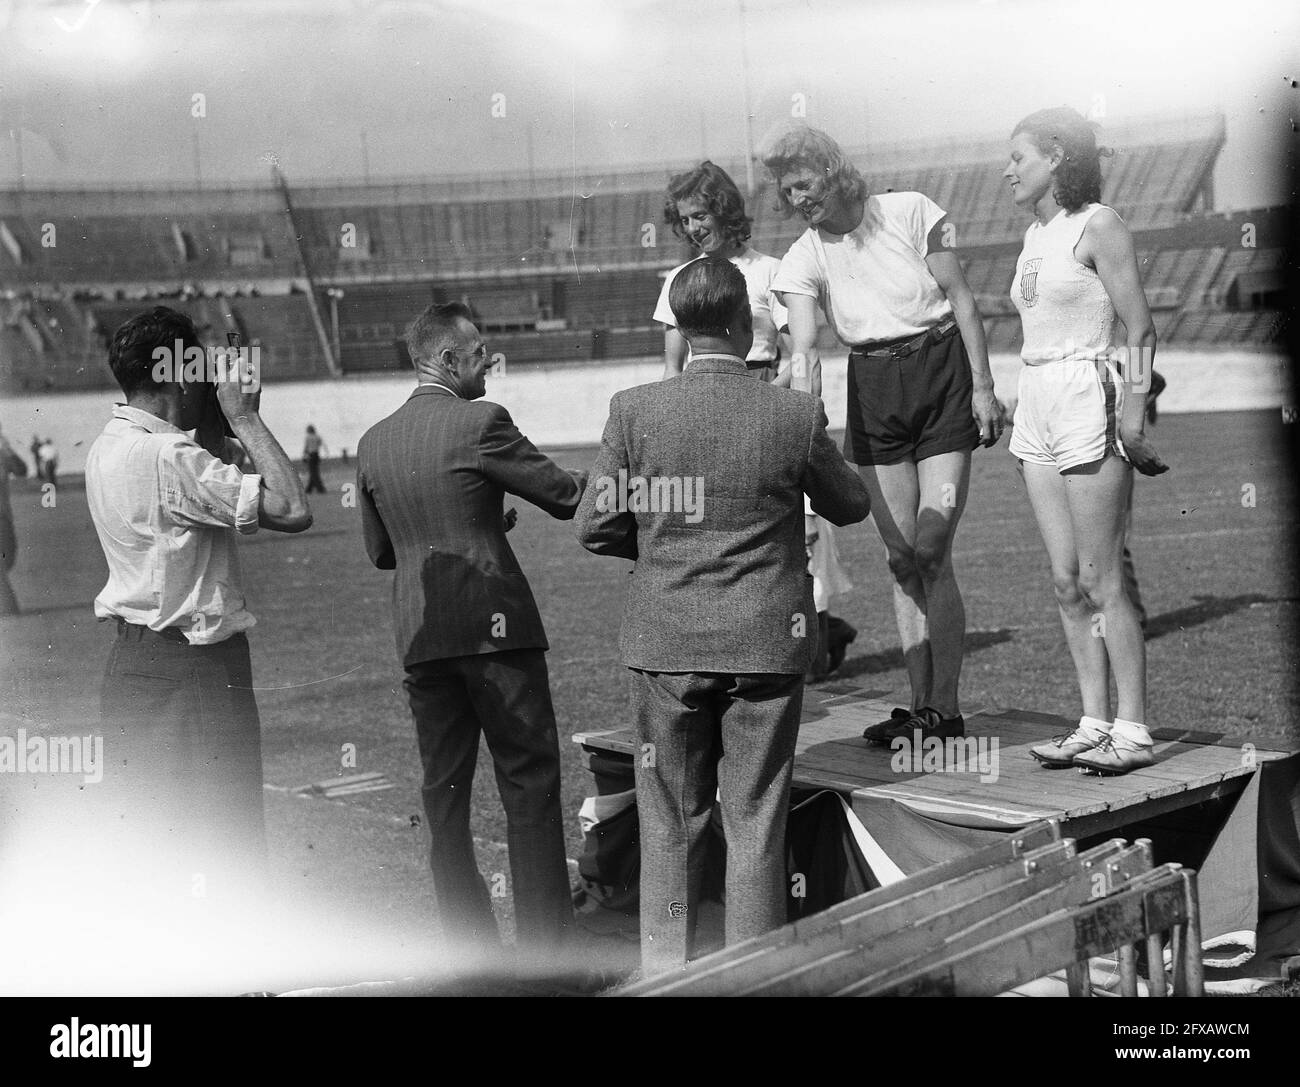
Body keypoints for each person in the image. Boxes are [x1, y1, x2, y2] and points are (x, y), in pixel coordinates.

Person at [576, 258, 871, 976]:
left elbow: (593, 525)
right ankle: (753, 983)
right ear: (746, 324)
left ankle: (666, 977)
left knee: (671, 825)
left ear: (679, 329)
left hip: (666, 641)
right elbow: (853, 503)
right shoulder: (792, 413)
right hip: (765, 644)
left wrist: (655, 547)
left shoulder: (635, 408)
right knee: (756, 825)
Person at [762, 126, 1004, 745]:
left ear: (834, 170)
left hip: (942, 374)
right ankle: (920, 705)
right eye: (788, 190)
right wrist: (803, 429)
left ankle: (945, 708)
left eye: (805, 182)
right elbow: (807, 352)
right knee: (900, 558)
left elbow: (963, 300)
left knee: (931, 546)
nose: (798, 197)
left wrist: (983, 387)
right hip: (873, 390)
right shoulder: (804, 255)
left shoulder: (911, 210)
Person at [356, 301, 583, 957]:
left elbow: (383, 552)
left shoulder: (373, 441)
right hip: (495, 632)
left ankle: (469, 954)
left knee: (445, 795)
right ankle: (548, 959)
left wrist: (480, 524)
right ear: (449, 360)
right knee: (529, 784)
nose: (489, 361)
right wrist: (632, 478)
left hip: (423, 638)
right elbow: (565, 494)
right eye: (480, 351)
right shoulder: (481, 420)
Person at [85, 306, 312, 904]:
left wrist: (204, 418)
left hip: (132, 667)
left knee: (155, 851)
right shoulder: (171, 458)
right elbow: (292, 507)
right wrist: (245, 416)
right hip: (199, 672)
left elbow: (182, 496)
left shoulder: (107, 446)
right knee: (229, 843)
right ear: (177, 373)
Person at [1002, 107, 1168, 776]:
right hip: (1037, 400)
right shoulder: (1035, 233)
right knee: (1066, 580)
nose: (1007, 169)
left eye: (1018, 156)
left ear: (1056, 156)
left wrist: (1133, 411)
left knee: (1103, 579)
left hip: (1086, 397)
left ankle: (1132, 727)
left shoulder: (1101, 224)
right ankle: (1093, 721)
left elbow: (1140, 328)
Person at [655, 159, 856, 678]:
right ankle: (743, 649)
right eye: (685, 220)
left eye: (701, 215)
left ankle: (809, 643)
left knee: (798, 536)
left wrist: (769, 399)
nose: (694, 228)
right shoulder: (679, 279)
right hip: (705, 415)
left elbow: (800, 353)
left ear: (724, 212)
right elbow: (672, 368)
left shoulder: (771, 271)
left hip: (766, 398)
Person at [303, 423, 328, 494]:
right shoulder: (317, 436)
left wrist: (304, 455)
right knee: (314, 471)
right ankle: (309, 489)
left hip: (311, 455)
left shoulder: (308, 437)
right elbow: (320, 444)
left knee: (313, 472)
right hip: (316, 455)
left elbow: (306, 447)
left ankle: (320, 489)